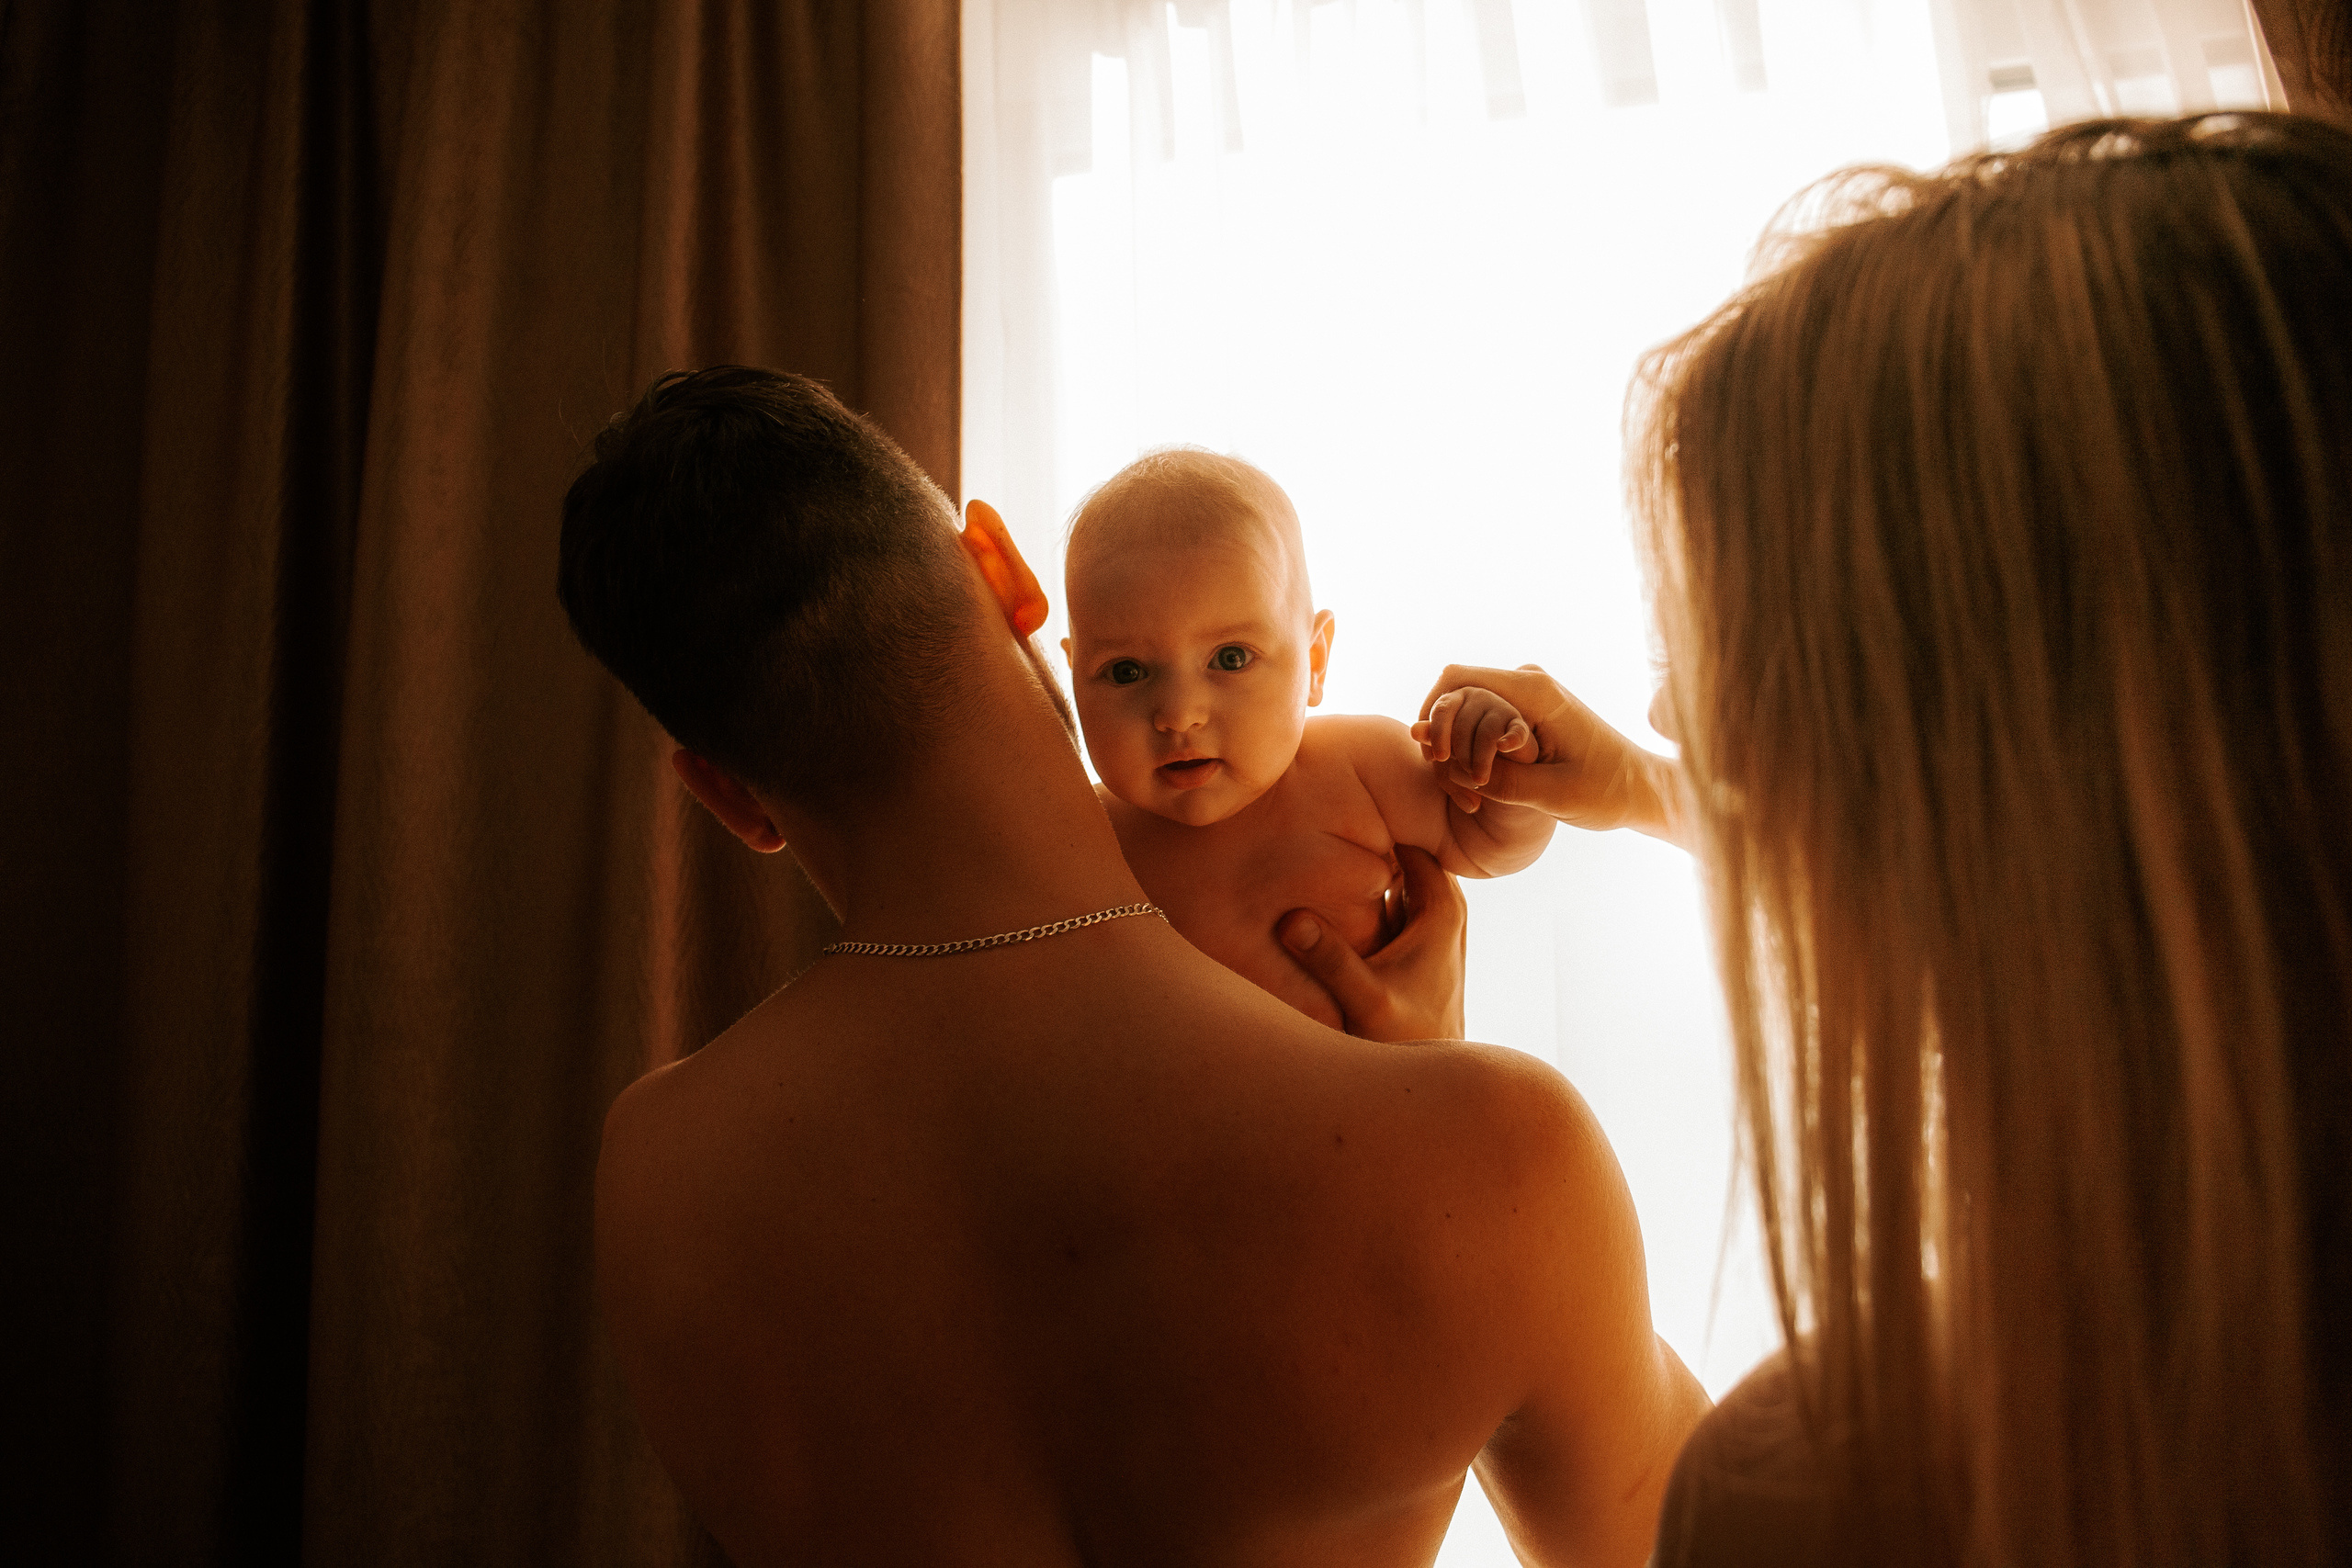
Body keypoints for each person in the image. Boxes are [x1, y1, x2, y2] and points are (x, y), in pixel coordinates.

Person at [558, 367, 1710, 1566]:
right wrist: (1422, 1093)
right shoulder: (1495, 1160)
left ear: (728, 795)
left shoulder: (659, 1185)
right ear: (1004, 572)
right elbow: (1709, 1537)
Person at [1425, 112, 2352, 1567]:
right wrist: (1646, 788)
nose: (1673, 707)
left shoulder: (1845, 1491)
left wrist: (1471, 1207)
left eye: (1741, 687)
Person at [1059, 447, 1553, 1026]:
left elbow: (1487, 841)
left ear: (1315, 661)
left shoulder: (1361, 770)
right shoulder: (1084, 838)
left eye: (1230, 657)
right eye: (1126, 671)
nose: (1178, 714)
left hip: (1366, 1105)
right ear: (1074, 677)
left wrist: (1494, 762)